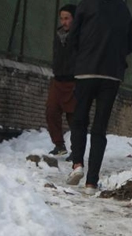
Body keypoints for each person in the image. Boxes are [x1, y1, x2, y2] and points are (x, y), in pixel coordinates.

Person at [66, 0, 132, 195]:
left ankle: (77, 164)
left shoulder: (86, 4)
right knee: (100, 128)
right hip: (112, 75)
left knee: (79, 119)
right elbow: (131, 44)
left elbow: (73, 36)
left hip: (86, 70)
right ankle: (91, 183)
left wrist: (82, 54)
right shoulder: (123, 9)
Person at [46, 4, 77, 157]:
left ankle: (76, 149)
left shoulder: (81, 35)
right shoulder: (58, 35)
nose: (64, 22)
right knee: (51, 110)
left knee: (74, 116)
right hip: (58, 79)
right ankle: (59, 144)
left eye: (67, 18)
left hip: (74, 80)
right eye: (62, 18)